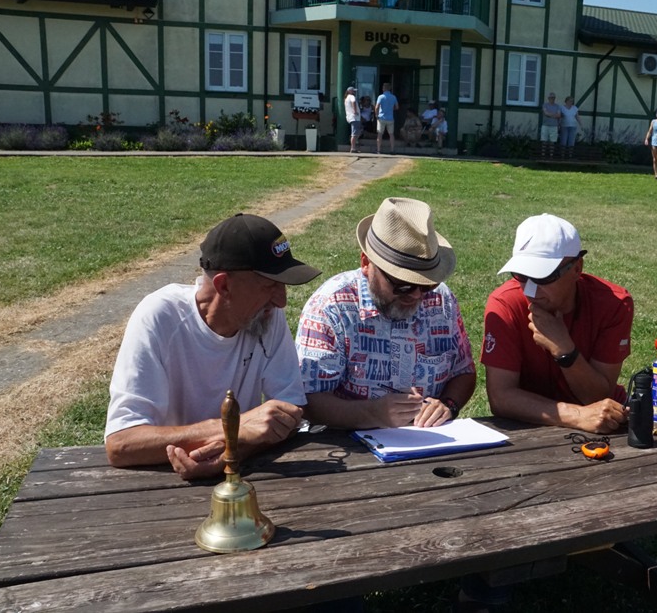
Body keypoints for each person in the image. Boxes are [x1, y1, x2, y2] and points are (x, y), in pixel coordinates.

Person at [105, 213, 322, 480]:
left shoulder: (265, 316)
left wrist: (229, 455)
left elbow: (290, 413)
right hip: (161, 481)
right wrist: (233, 427)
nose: (281, 302)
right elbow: (122, 444)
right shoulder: (159, 316)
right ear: (224, 285)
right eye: (269, 286)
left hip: (239, 479)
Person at [295, 197, 476, 430]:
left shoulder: (442, 299)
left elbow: (464, 372)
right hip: (347, 444)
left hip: (428, 442)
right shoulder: (332, 307)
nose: (417, 296)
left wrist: (448, 405)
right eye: (403, 285)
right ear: (366, 263)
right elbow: (308, 400)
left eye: (427, 285)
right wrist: (371, 414)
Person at [481, 213, 633, 433]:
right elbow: (501, 397)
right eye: (520, 275)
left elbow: (597, 396)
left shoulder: (613, 303)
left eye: (542, 277)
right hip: (531, 427)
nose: (530, 290)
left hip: (602, 423)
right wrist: (577, 416)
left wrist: (564, 350)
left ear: (577, 268)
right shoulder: (505, 304)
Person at [374, 82, 399, 154]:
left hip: (381, 117)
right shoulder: (393, 97)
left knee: (380, 134)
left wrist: (376, 114)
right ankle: (392, 149)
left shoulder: (381, 97)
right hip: (390, 118)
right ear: (390, 88)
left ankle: (379, 150)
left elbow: (377, 107)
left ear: (383, 88)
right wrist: (391, 109)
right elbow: (397, 107)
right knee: (391, 134)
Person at [539, 91, 561, 158]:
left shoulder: (557, 106)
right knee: (544, 141)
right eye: (551, 97)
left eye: (553, 97)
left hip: (554, 126)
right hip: (545, 125)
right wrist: (554, 115)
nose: (552, 99)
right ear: (548, 98)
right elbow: (546, 113)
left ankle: (551, 156)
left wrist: (550, 114)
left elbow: (559, 115)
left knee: (552, 142)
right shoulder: (545, 105)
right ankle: (543, 155)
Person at [344, 85, 361, 153]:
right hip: (354, 117)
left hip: (350, 117)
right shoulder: (351, 97)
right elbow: (353, 102)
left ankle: (353, 147)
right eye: (353, 91)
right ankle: (353, 148)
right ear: (350, 91)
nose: (354, 92)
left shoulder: (346, 98)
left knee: (355, 132)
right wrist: (355, 110)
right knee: (354, 133)